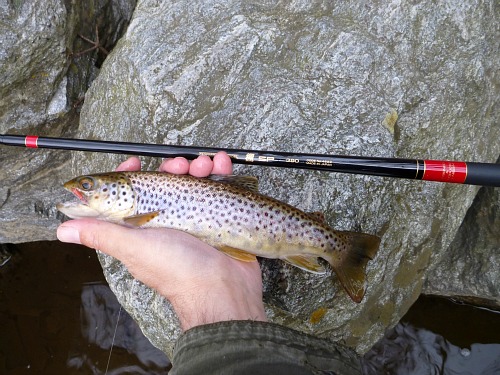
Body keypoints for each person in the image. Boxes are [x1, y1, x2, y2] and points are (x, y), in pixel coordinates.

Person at [57, 152, 362, 374]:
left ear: (123, 189)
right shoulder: (128, 216)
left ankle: (337, 247)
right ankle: (334, 245)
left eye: (87, 185)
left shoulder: (135, 214)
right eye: (87, 186)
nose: (81, 190)